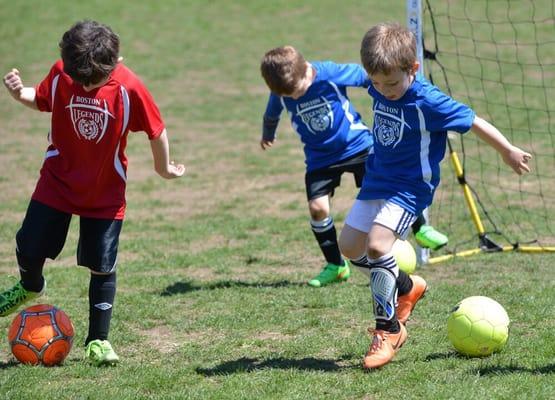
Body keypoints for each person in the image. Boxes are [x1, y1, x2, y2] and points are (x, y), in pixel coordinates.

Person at [338, 22, 532, 369]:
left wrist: (507, 150)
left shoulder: (428, 101)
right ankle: (407, 286)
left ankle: (389, 330)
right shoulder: (379, 80)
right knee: (350, 246)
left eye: (392, 83)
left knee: (378, 246)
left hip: (410, 187)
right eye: (378, 83)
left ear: (413, 69)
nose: (384, 89)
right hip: (377, 180)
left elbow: (473, 120)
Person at [0, 20, 185, 366]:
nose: (84, 86)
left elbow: (156, 131)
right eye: (79, 80)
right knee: (28, 243)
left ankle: (98, 340)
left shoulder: (129, 87)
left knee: (102, 265)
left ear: (116, 62)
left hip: (105, 191)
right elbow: (40, 100)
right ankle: (29, 286)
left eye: (93, 81)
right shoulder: (62, 74)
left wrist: (163, 169)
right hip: (57, 180)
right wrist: (18, 92)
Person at [259, 46, 447, 288]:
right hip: (319, 158)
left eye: (297, 92)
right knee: (317, 209)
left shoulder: (328, 73)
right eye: (288, 96)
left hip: (358, 145)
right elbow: (272, 113)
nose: (293, 98)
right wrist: (268, 133)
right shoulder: (282, 88)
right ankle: (336, 266)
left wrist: (399, 92)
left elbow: (366, 77)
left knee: (389, 187)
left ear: (306, 72)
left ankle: (421, 228)